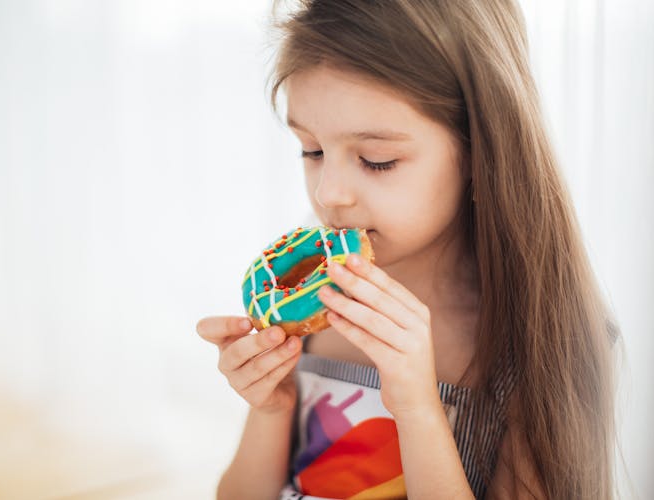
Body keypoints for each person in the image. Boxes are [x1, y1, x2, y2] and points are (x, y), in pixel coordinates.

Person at [196, 0, 622, 498]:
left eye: (377, 160)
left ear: (481, 154)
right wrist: (273, 407)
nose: (329, 193)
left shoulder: (540, 346)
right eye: (312, 150)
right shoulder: (313, 308)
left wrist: (419, 409)